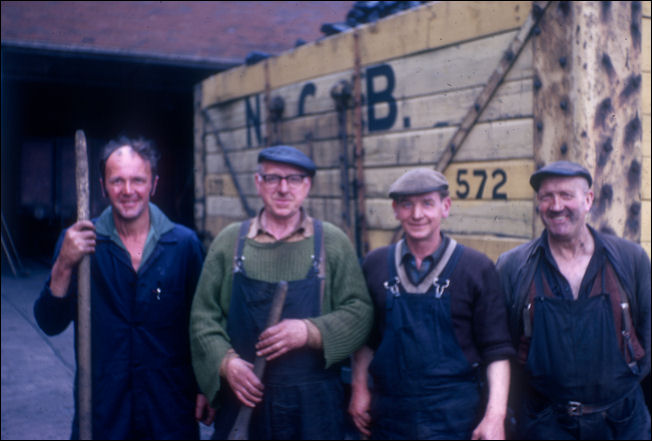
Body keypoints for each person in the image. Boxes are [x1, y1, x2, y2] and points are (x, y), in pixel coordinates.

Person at [34, 136, 215, 439]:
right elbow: (49, 323)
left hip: (169, 409)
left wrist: (205, 387)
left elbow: (201, 325)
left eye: (138, 180)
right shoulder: (79, 242)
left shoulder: (183, 244)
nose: (128, 191)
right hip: (103, 410)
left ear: (153, 185)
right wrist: (63, 265)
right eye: (117, 181)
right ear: (103, 186)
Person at [189, 144, 373, 439]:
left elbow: (360, 312)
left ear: (307, 186)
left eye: (294, 179)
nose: (283, 188)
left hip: (315, 411)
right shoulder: (230, 243)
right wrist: (226, 363)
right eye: (273, 178)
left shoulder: (332, 242)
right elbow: (202, 319)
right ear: (258, 183)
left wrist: (309, 331)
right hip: (246, 405)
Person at [349, 168, 515, 440]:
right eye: (407, 205)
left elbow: (496, 352)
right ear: (395, 210)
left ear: (445, 207)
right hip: (389, 417)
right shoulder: (375, 264)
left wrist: (494, 417)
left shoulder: (475, 268)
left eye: (427, 203)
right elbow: (366, 340)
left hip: (455, 419)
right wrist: (359, 389)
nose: (417, 215)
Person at [496, 160, 651, 440]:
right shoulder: (513, 266)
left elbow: (649, 339)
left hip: (623, 423)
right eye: (546, 197)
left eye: (566, 195)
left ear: (588, 199)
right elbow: (502, 349)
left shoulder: (630, 260)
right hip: (545, 425)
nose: (556, 206)